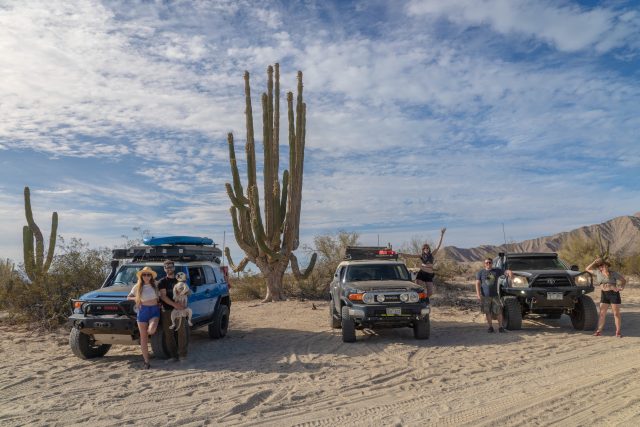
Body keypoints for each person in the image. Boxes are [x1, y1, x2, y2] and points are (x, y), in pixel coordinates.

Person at [127, 266, 160, 369]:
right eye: (144, 274)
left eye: (148, 274)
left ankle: (151, 342)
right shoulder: (137, 286)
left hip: (154, 310)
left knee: (152, 330)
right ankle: (146, 361)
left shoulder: (156, 285)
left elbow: (161, 296)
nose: (146, 276)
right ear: (141, 276)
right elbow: (128, 297)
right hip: (142, 311)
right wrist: (137, 299)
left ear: (151, 276)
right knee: (143, 338)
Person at [400, 227, 446, 298]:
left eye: (427, 248)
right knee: (418, 290)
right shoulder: (421, 255)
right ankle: (418, 300)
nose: (426, 249)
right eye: (424, 248)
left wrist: (442, 235)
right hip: (422, 274)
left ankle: (425, 299)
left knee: (430, 292)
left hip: (429, 275)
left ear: (429, 249)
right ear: (423, 249)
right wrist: (402, 254)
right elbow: (411, 255)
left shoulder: (432, 254)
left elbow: (438, 246)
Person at [586, 257, 626, 337]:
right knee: (602, 313)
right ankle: (599, 331)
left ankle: (618, 332)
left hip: (614, 294)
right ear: (600, 268)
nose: (605, 267)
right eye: (603, 266)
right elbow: (587, 269)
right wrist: (594, 261)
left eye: (606, 266)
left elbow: (623, 280)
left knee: (616, 314)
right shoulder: (598, 272)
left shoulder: (613, 273)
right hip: (604, 294)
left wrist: (621, 287)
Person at [157, 259, 188, 361]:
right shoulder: (162, 282)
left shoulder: (179, 280)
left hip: (180, 309)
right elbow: (163, 296)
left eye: (171, 266)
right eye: (167, 267)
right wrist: (175, 305)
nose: (169, 269)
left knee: (181, 332)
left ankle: (182, 355)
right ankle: (173, 356)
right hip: (167, 310)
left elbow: (186, 292)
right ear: (164, 269)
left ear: (174, 268)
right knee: (169, 333)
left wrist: (182, 304)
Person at [475, 258, 512, 333]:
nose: (488, 264)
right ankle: (490, 327)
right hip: (485, 296)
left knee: (498, 311)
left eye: (490, 262)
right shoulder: (481, 272)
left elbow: (505, 271)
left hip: (495, 295)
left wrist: (510, 272)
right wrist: (478, 295)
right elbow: (477, 283)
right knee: (487, 312)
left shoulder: (497, 271)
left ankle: (500, 327)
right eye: (486, 263)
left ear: (492, 263)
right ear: (484, 264)